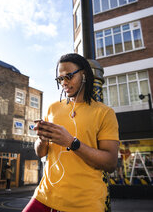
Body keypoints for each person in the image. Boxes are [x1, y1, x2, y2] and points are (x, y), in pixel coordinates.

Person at [22, 53, 119, 212]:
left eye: (68, 76)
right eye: (60, 79)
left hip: (85, 202)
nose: (64, 83)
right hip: (45, 195)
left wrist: (72, 143)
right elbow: (41, 153)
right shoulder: (53, 108)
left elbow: (110, 163)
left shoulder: (104, 113)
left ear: (84, 74)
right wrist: (42, 139)